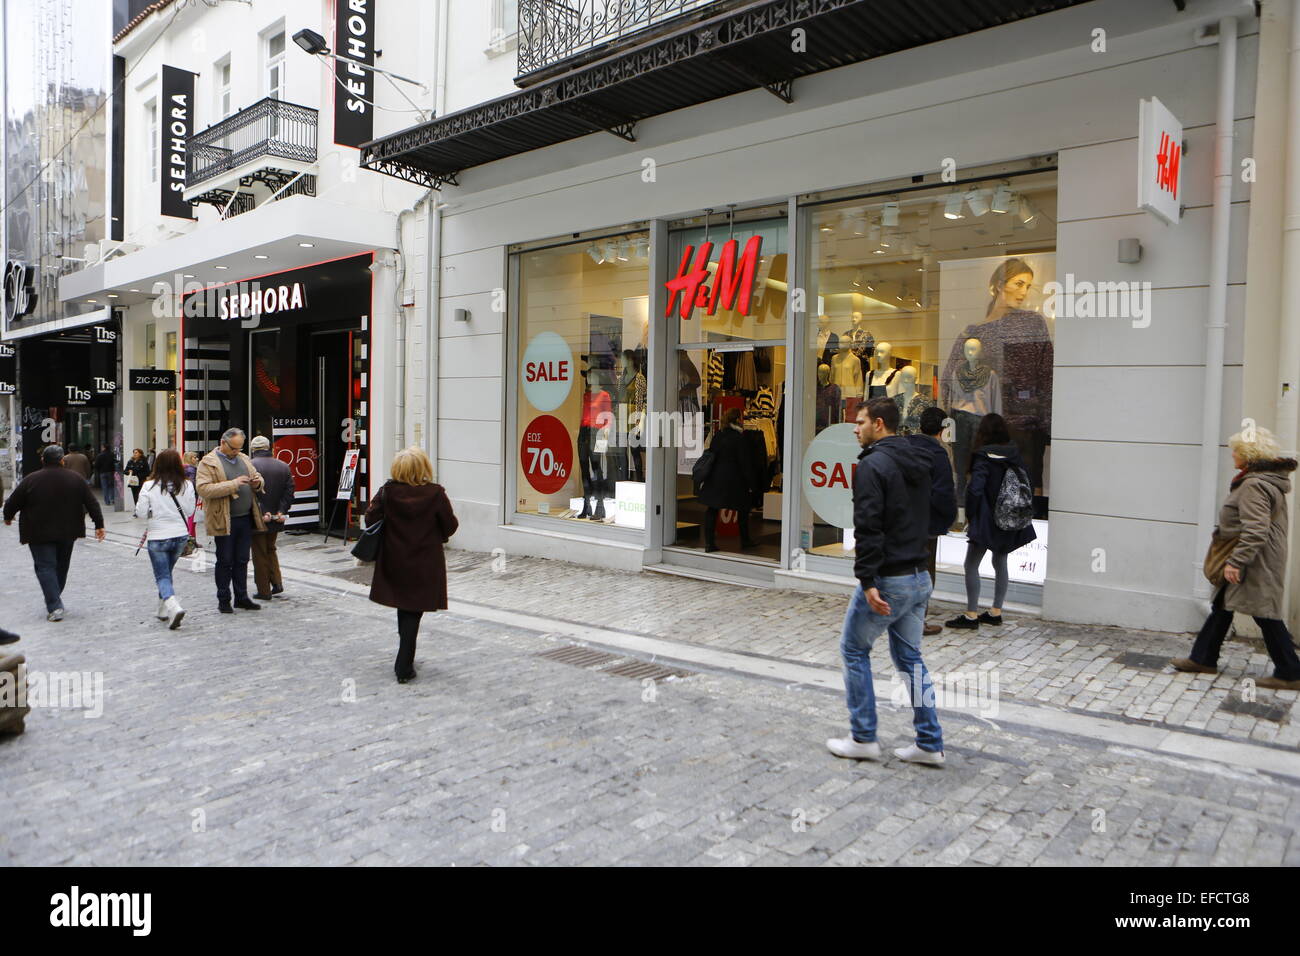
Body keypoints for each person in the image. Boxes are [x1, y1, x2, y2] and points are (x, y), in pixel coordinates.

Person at [827, 397, 945, 766]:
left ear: (879, 424)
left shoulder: (873, 465)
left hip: (891, 579)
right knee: (910, 659)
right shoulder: (920, 461)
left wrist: (867, 580)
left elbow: (868, 526)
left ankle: (863, 736)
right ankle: (930, 743)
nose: (854, 428)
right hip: (919, 574)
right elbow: (938, 515)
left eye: (859, 422)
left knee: (853, 649)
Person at [1173, 427, 1300, 689]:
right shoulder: (1261, 481)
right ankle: (1203, 658)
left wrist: (1236, 561)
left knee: (1265, 614)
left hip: (1255, 560)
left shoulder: (1254, 484)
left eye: (1236, 451)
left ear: (1247, 454)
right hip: (1256, 556)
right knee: (1222, 605)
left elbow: (1256, 529)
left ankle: (1290, 673)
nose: (1232, 455)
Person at [365, 446, 458, 683]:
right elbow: (450, 526)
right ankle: (404, 665)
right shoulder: (435, 493)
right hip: (424, 561)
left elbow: (370, 519)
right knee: (412, 610)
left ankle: (405, 656)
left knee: (405, 606)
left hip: (394, 559)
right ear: (424, 468)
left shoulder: (387, 492)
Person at [947, 413, 1036, 630]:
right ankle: (996, 611)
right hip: (1008, 516)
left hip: (986, 518)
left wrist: (969, 514)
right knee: (1000, 562)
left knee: (971, 565)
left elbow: (976, 489)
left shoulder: (983, 456)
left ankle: (970, 615)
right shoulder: (1014, 454)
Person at [2, 444, 106, 621]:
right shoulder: (76, 479)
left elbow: (14, 501)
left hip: (38, 531)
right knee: (61, 566)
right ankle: (54, 599)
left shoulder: (31, 480)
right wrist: (99, 524)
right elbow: (91, 502)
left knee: (45, 567)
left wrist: (8, 516)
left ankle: (54, 602)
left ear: (43, 460)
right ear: (62, 461)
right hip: (68, 530)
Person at [196, 427, 266, 613]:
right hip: (224, 519)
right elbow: (204, 489)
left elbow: (257, 476)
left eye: (239, 448)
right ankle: (224, 599)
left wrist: (257, 483)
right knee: (225, 560)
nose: (237, 452)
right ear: (223, 442)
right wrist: (233, 485)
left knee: (242, 559)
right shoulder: (208, 462)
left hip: (245, 517)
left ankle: (241, 597)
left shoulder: (244, 459)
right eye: (234, 448)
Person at [906, 406, 958, 635]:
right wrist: (947, 519)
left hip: (902, 520)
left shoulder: (903, 448)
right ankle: (916, 621)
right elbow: (944, 493)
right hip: (926, 523)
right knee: (924, 571)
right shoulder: (938, 455)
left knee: (903, 569)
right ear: (942, 428)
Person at [132, 449, 195, 630]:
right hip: (180, 535)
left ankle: (173, 606)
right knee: (166, 573)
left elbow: (141, 512)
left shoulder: (149, 486)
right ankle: (161, 609)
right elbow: (190, 512)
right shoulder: (187, 485)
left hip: (158, 536)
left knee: (162, 575)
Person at [698, 407, 761, 552]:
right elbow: (745, 463)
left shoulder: (718, 435)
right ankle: (745, 540)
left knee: (712, 509)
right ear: (737, 420)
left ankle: (709, 543)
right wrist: (752, 484)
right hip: (734, 480)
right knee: (743, 509)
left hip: (715, 478)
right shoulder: (739, 438)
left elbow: (712, 454)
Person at [249, 435, 295, 600]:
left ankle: (264, 589)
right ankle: (277, 582)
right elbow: (289, 491)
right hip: (276, 515)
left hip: (258, 516)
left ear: (253, 449)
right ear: (269, 447)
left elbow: (249, 494)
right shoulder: (283, 466)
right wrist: (282, 510)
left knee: (259, 552)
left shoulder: (250, 465)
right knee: (270, 548)